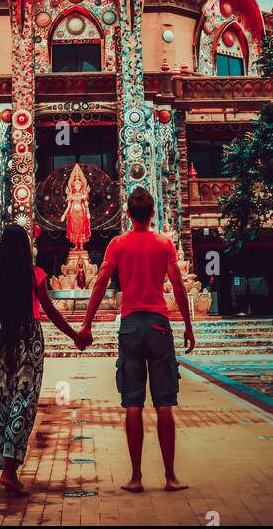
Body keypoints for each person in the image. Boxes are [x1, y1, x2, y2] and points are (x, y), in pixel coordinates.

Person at [76, 187, 195, 492]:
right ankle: (170, 477)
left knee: (133, 403)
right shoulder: (164, 244)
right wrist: (188, 326)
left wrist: (86, 324)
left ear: (128, 215)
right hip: (159, 324)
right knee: (165, 402)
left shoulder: (118, 244)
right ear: (152, 214)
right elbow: (179, 288)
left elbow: (101, 281)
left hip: (130, 325)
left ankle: (136, 477)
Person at [0, 223, 85, 495]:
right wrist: (74, 335)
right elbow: (50, 311)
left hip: (5, 339)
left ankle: (7, 467)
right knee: (23, 401)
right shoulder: (34, 275)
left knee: (4, 401)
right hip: (30, 339)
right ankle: (9, 470)